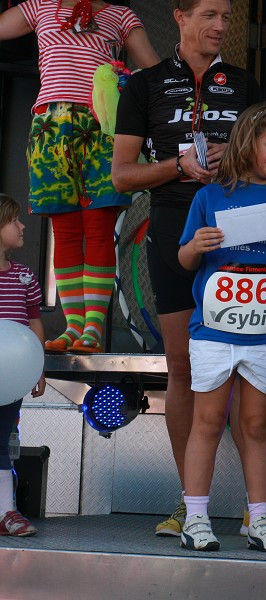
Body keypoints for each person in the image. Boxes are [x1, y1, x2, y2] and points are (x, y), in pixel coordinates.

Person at [112, 0, 266, 541]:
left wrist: (236, 156)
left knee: (249, 372)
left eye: (227, 18)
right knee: (182, 367)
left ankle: (257, 507)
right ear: (179, 16)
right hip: (179, 220)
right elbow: (123, 176)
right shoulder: (144, 85)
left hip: (244, 224)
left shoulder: (243, 83)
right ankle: (188, 504)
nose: (222, 26)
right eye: (211, 15)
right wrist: (179, 165)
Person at [173, 101, 266, 551]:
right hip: (214, 331)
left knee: (256, 425)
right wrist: (196, 244)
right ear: (247, 142)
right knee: (208, 421)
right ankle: (195, 517)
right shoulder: (210, 196)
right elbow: (184, 259)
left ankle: (259, 517)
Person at [0, 0, 159, 353]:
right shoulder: (39, 6)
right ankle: (73, 327)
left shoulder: (119, 15)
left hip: (100, 126)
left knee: (98, 226)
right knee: (66, 231)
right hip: (50, 126)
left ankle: (92, 329)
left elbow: (155, 71)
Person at [0, 194, 45, 537]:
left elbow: (34, 323)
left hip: (10, 379)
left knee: (3, 438)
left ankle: (6, 511)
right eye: (14, 220)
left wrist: (38, 367)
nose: (23, 225)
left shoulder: (24, 276)